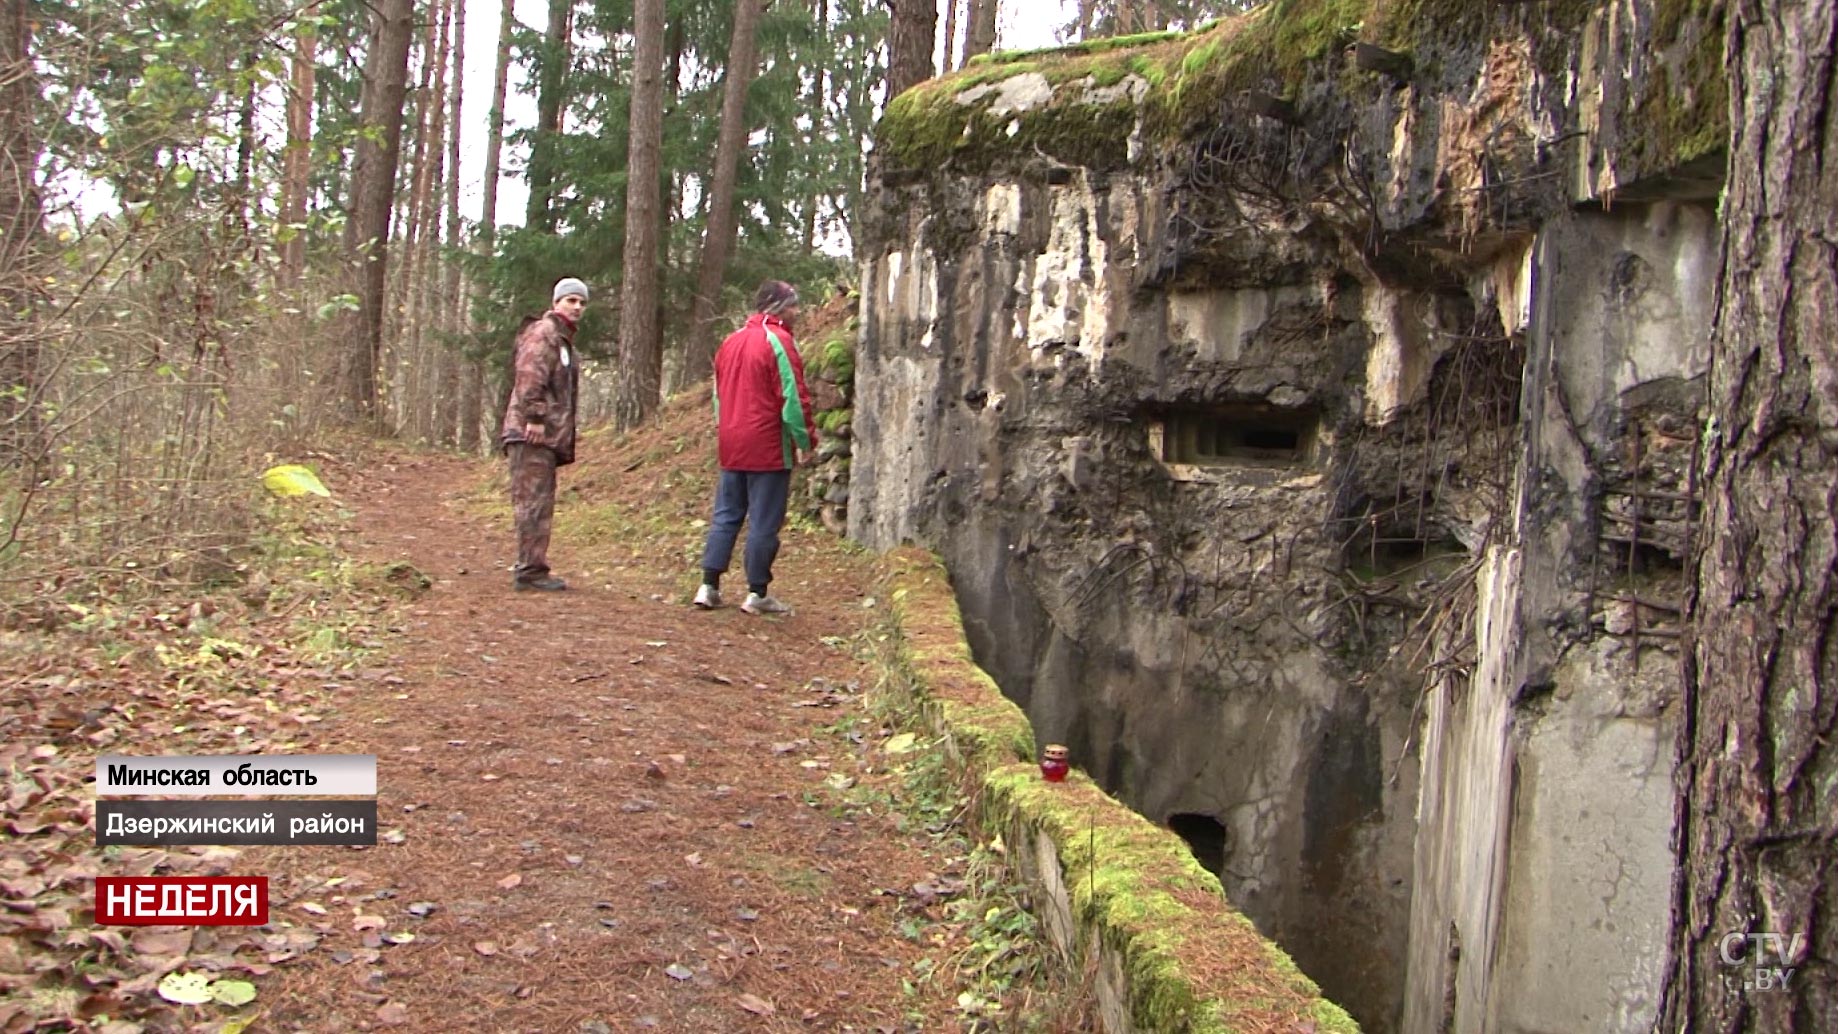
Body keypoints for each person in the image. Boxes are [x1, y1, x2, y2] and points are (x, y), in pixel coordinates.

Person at [694, 280, 819, 615]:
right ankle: (757, 592)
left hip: (731, 441)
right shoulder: (779, 342)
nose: (797, 312)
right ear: (778, 307)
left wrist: (725, 430)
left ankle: (709, 585)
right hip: (767, 445)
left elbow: (719, 395)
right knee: (764, 520)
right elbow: (793, 398)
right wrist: (805, 440)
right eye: (793, 305)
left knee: (726, 514)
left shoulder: (730, 341)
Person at [500, 277, 587, 591]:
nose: (576, 307)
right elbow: (529, 376)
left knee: (539, 501)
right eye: (570, 301)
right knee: (532, 503)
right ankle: (530, 571)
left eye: (581, 302)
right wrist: (535, 417)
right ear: (556, 303)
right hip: (530, 433)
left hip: (545, 436)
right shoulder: (544, 333)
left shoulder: (562, 341)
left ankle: (533, 566)